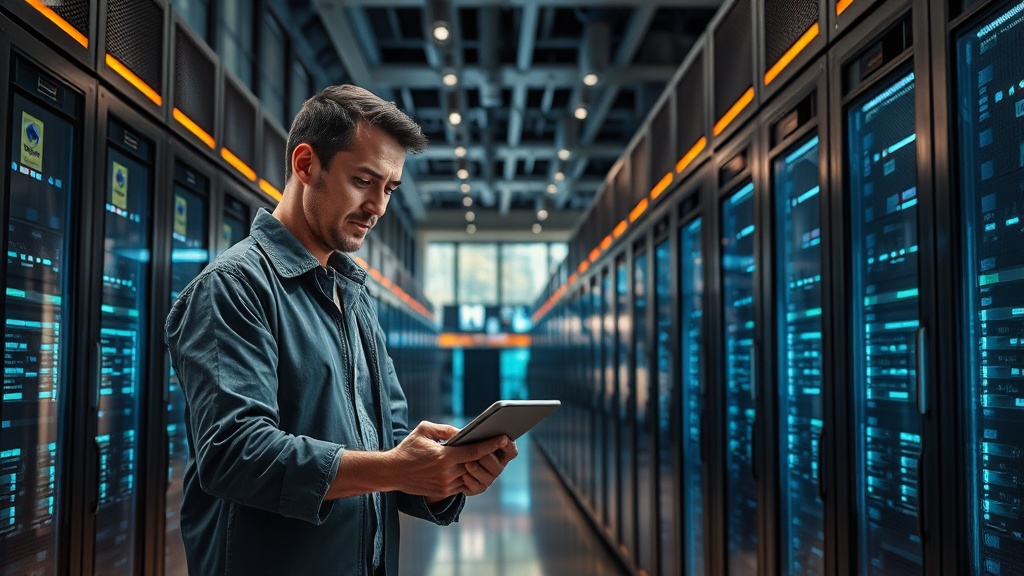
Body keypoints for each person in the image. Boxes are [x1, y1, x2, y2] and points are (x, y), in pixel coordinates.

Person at [165, 84, 518, 576]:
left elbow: (389, 440)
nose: (378, 206)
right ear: (306, 164)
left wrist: (443, 476)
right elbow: (235, 454)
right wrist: (397, 467)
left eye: (390, 188)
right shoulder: (233, 287)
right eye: (363, 181)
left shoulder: (352, 294)